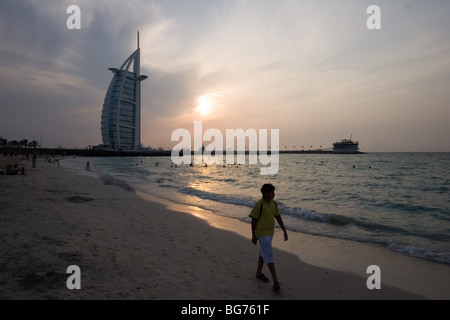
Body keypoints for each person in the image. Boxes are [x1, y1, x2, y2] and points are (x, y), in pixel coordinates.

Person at [249, 183, 288, 292]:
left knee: (263, 253)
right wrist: (253, 236)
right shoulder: (259, 205)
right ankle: (275, 281)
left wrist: (284, 231)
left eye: (274, 192)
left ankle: (258, 273)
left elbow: (278, 217)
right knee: (269, 254)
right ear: (266, 194)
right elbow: (253, 220)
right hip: (262, 233)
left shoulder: (274, 204)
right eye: (272, 193)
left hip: (270, 233)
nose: (273, 195)